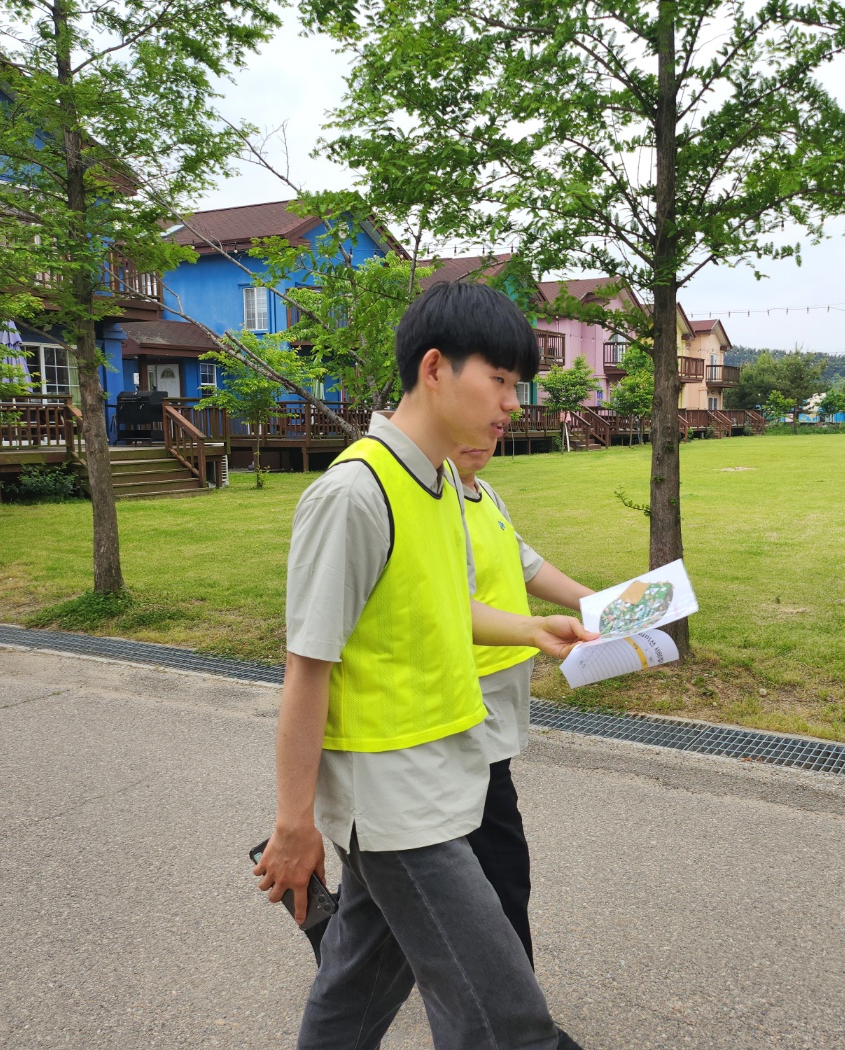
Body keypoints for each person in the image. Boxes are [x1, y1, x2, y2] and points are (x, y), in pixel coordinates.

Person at [253, 281, 596, 1050]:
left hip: (444, 774)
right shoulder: (355, 494)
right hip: (393, 804)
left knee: (357, 985)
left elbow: (442, 606)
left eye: (517, 385)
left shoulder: (441, 483)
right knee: (506, 1021)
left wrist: (531, 628)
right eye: (499, 380)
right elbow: (307, 668)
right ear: (435, 368)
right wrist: (294, 823)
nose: (511, 404)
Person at [452, 441, 594, 971]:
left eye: (495, 427)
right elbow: (451, 606)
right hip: (466, 706)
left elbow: (526, 564)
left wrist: (605, 606)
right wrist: (535, 630)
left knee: (434, 855)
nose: (485, 438)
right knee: (501, 863)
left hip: (501, 700)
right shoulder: (434, 502)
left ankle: (348, 939)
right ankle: (515, 1003)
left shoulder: (485, 493)